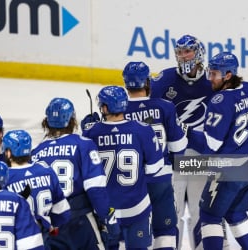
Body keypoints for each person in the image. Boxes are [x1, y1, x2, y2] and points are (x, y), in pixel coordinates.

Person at [188, 52, 248, 250]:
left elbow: (210, 146)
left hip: (228, 170)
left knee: (210, 216)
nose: (210, 78)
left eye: (214, 74)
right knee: (235, 214)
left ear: (228, 75)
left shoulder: (220, 101)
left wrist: (186, 133)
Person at [150, 34, 222, 249]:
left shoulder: (212, 80)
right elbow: (145, 108)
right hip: (174, 157)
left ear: (198, 52)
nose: (183, 56)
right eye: (179, 52)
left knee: (202, 211)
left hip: (202, 157)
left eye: (187, 51)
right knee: (173, 213)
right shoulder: (164, 80)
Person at [82, 86, 164, 250]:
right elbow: (155, 168)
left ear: (104, 108)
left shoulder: (91, 132)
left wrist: (86, 129)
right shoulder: (143, 129)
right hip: (137, 207)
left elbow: (86, 174)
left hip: (106, 211)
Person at [31, 97, 120, 250]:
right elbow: (95, 188)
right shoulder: (83, 144)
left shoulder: (36, 153)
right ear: (73, 120)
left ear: (47, 121)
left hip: (52, 226)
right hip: (80, 220)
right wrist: (107, 217)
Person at [122, 61, 188, 249]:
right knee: (165, 230)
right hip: (161, 179)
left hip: (130, 183)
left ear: (126, 84)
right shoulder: (165, 107)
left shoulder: (117, 110)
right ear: (148, 82)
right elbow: (178, 148)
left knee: (131, 233)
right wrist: (181, 132)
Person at [2, 129, 71, 248]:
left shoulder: (4, 177)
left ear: (8, 153)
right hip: (44, 239)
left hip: (18, 241)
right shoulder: (46, 170)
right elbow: (63, 212)